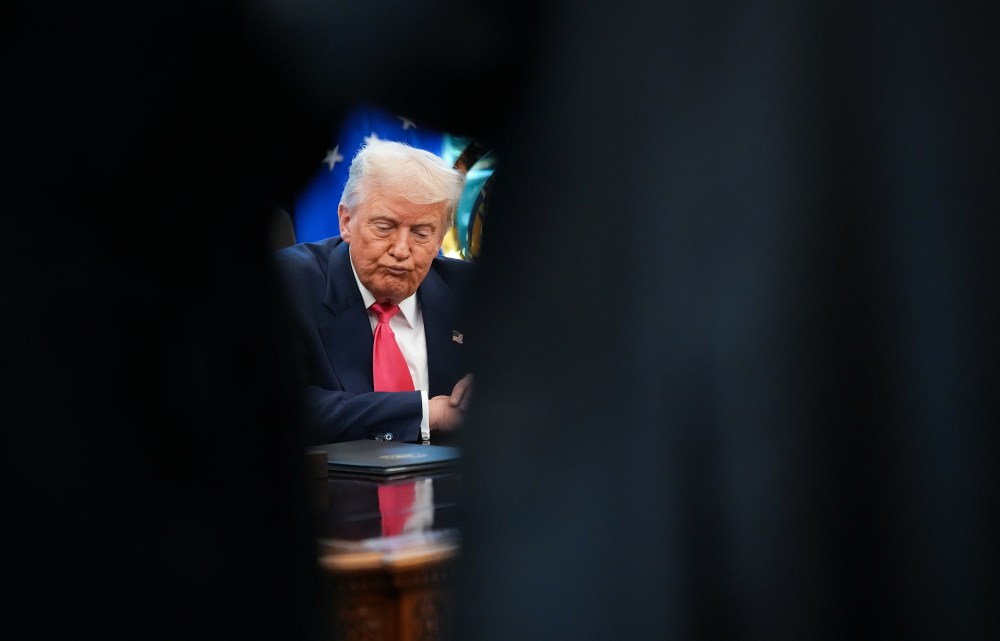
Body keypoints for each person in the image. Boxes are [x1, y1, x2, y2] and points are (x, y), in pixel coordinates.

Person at [275, 139, 476, 445]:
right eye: (384, 227)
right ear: (346, 221)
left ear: (440, 240)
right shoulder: (289, 283)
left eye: (421, 233)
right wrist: (427, 412)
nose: (400, 250)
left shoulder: (474, 291)